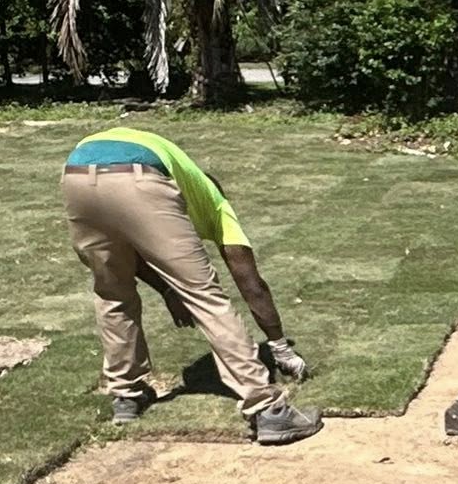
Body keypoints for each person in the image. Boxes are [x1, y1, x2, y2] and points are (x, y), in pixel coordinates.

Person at [62, 125, 322, 445]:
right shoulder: (215, 203)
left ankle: (126, 396)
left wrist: (169, 289)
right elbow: (251, 283)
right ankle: (268, 409)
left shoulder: (185, 177)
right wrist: (280, 347)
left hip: (76, 174)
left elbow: (135, 257)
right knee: (205, 297)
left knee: (113, 293)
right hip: (139, 175)